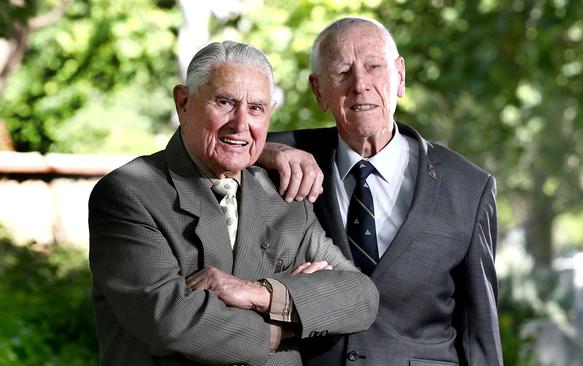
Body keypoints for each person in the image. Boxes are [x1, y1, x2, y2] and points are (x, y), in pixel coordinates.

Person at [88, 40, 379, 366]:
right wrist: (285, 326)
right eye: (225, 102)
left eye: (256, 108)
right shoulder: (131, 192)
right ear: (183, 102)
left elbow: (361, 297)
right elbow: (170, 320)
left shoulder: (283, 197)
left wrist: (259, 293)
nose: (241, 124)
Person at [259, 17, 503, 365]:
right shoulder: (279, 160)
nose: (360, 84)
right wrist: (271, 151)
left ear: (400, 76)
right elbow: (204, 147)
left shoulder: (468, 187)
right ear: (318, 90)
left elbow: (479, 332)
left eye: (374, 67)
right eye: (342, 72)